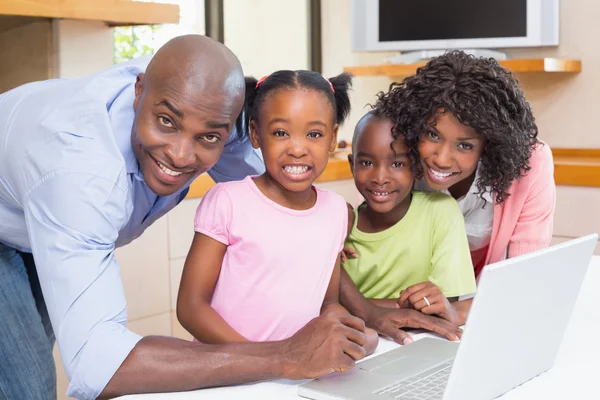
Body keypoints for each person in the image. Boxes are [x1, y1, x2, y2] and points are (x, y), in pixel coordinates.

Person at [0, 34, 462, 400]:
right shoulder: (79, 174)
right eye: (165, 122)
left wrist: (366, 313)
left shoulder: (230, 121)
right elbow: (98, 366)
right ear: (139, 90)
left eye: (209, 137)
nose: (182, 155)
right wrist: (283, 357)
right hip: (13, 223)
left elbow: (296, 219)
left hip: (46, 217)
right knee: (27, 385)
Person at [177, 70, 378, 355]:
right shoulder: (228, 202)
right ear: (256, 134)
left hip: (297, 375)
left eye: (314, 134)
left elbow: (328, 303)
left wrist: (355, 335)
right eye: (281, 133)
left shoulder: (334, 211)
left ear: (332, 139)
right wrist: (268, 359)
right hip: (230, 374)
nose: (297, 148)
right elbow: (190, 308)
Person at [374, 50, 556, 277]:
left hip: (486, 302)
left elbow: (525, 275)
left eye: (465, 146)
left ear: (489, 144)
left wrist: (464, 309)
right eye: (432, 134)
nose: (441, 159)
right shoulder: (399, 159)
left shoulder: (530, 165)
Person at [343, 111, 476, 325]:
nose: (380, 178)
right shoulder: (339, 226)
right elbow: (326, 306)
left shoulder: (440, 212)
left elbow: (443, 304)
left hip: (424, 335)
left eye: (397, 164)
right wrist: (408, 308)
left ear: (416, 168)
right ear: (352, 165)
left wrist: (357, 305)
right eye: (367, 163)